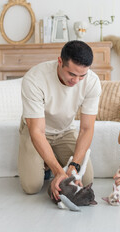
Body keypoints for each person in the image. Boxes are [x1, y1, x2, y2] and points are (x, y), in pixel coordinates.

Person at [18, 40, 102, 200]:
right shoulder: (34, 79)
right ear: (60, 62)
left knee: (86, 178)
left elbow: (86, 129)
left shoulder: (92, 82)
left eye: (82, 75)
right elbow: (37, 131)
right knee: (31, 187)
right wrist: (59, 172)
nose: (76, 81)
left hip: (65, 131)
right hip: (36, 132)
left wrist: (74, 166)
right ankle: (50, 166)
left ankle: (52, 162)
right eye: (71, 74)